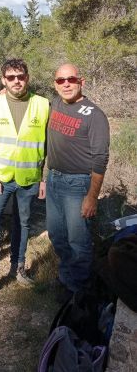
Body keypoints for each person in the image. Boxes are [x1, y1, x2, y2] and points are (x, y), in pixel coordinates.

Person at [0, 58, 48, 300]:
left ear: (28, 77)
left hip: (29, 178)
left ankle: (18, 268)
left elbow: (49, 146)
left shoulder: (43, 105)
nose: (17, 81)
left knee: (22, 224)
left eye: (21, 76)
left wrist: (43, 178)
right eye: (11, 77)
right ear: (3, 79)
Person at [45, 63, 110, 298]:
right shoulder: (54, 104)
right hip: (53, 179)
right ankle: (66, 276)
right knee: (56, 234)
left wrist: (91, 197)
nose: (66, 84)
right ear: (55, 84)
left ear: (80, 81)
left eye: (71, 80)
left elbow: (100, 159)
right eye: (60, 80)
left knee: (78, 241)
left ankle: (79, 291)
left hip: (78, 185)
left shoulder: (95, 115)